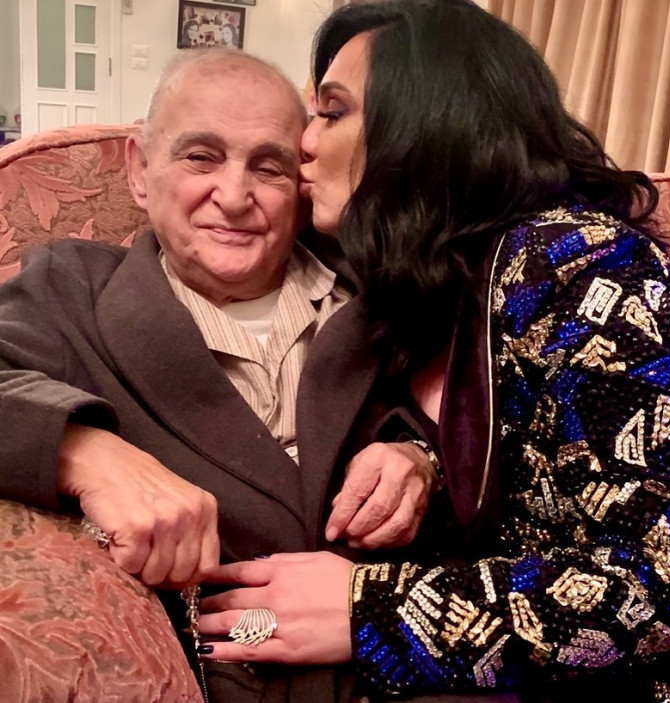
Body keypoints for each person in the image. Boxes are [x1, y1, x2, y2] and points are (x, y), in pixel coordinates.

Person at [195, 2, 670, 702]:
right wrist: (424, 459)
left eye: (332, 112)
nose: (302, 143)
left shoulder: (584, 265)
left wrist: (372, 611)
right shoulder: (416, 280)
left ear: (427, 125)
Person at [0, 47, 436, 702]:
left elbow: (481, 427)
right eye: (201, 157)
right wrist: (84, 452)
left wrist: (419, 458)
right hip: (224, 677)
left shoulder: (379, 289)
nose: (233, 197)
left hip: (410, 656)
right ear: (140, 169)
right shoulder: (73, 288)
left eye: (269, 167)